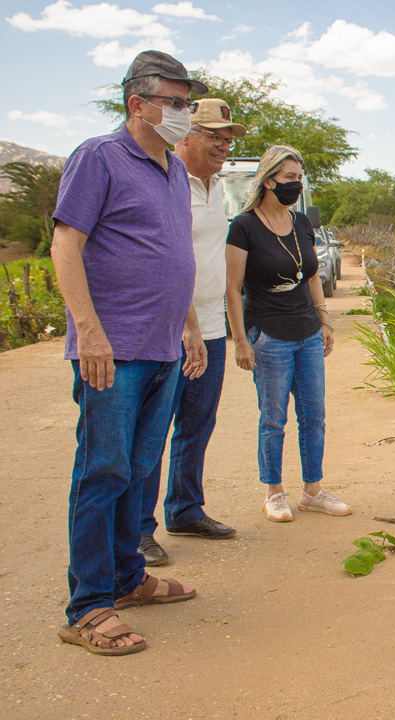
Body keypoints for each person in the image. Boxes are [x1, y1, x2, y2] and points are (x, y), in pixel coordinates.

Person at [51, 50, 202, 655]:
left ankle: (127, 577)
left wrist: (190, 326)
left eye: (189, 102)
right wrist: (88, 330)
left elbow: (173, 256)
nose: (185, 113)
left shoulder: (172, 169)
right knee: (103, 470)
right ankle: (88, 607)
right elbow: (66, 243)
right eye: (175, 102)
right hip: (112, 350)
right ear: (137, 104)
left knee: (138, 471)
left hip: (163, 348)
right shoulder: (99, 157)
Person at [137, 99, 248, 567]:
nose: (223, 145)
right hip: (173, 327)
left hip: (212, 325)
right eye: (213, 136)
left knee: (198, 423)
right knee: (153, 430)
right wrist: (187, 327)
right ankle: (139, 530)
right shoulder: (166, 179)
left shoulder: (217, 185)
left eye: (227, 139)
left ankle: (185, 510)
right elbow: (165, 258)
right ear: (184, 135)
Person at [224, 145, 351, 522]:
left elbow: (311, 276)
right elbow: (232, 288)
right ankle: (274, 492)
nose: (296, 184)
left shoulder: (302, 223)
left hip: (307, 333)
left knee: (314, 415)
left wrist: (324, 320)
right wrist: (241, 340)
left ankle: (313, 491)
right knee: (273, 418)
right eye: (289, 178)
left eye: (299, 178)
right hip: (269, 336)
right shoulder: (244, 226)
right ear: (269, 181)